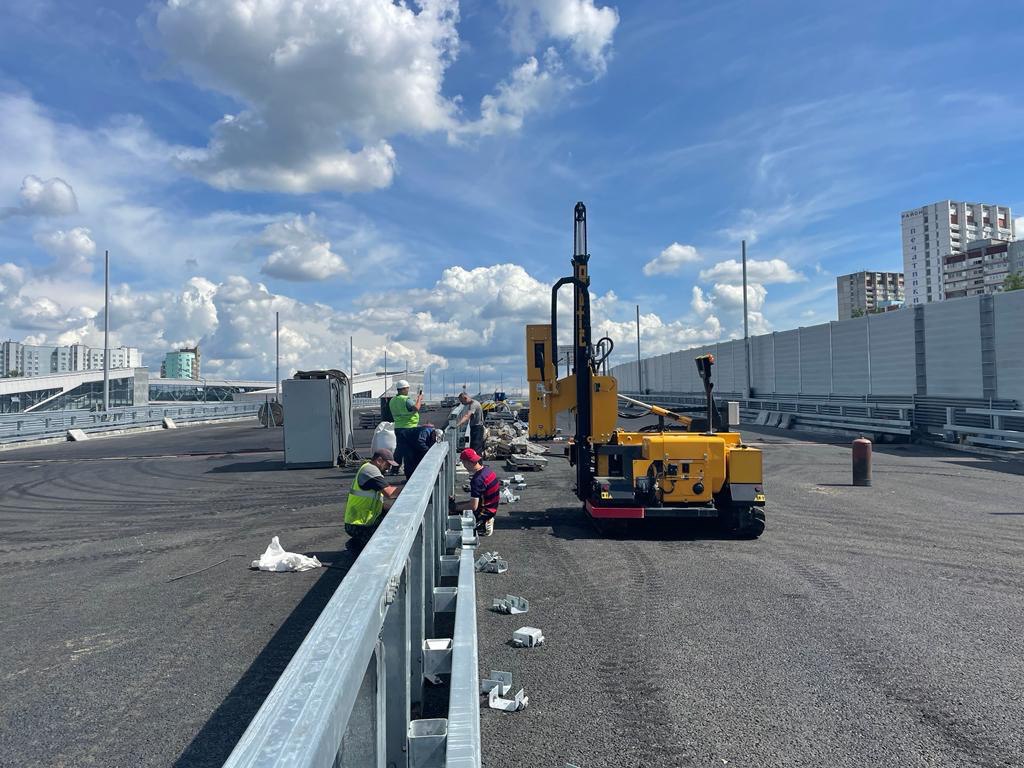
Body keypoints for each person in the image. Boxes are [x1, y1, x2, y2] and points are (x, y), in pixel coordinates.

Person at [344, 449, 401, 549]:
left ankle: (359, 542)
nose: (388, 469)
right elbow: (389, 493)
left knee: (391, 519)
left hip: (363, 520)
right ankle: (357, 545)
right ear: (379, 460)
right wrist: (410, 489)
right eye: (387, 464)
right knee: (380, 542)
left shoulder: (369, 469)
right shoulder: (370, 471)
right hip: (358, 524)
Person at [459, 447, 500, 537]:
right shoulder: (487, 471)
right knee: (461, 505)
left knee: (457, 512)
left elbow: (473, 506)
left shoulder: (477, 480)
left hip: (485, 512)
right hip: (492, 507)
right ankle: (487, 519)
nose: (463, 465)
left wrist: (455, 507)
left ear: (467, 462)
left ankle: (485, 523)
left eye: (463, 462)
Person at [389, 379, 424, 473]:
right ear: (404, 389)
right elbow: (416, 408)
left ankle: (395, 469)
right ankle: (409, 469)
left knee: (399, 449)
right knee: (409, 450)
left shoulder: (392, 400)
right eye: (407, 388)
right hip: (409, 427)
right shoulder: (406, 400)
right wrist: (419, 399)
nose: (408, 390)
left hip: (398, 427)